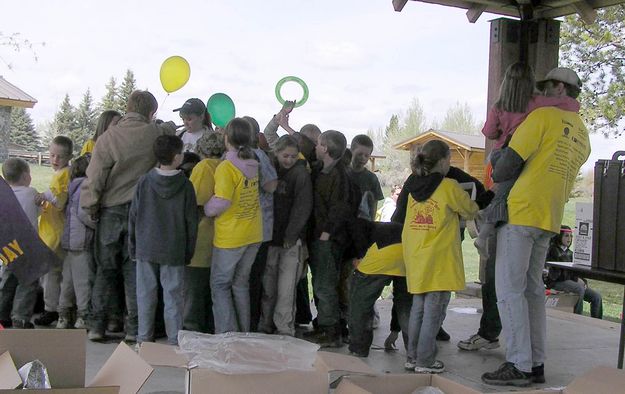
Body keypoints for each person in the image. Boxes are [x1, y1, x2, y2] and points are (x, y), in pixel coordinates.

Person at [481, 67, 590, 387]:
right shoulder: (582, 132)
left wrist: (498, 155)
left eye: (544, 88)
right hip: (549, 218)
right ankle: (535, 362)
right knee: (531, 292)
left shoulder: (540, 119)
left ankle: (518, 363)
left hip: (521, 214)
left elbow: (503, 171)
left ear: (558, 88)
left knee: (508, 291)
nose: (537, 96)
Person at [81, 90, 177, 342]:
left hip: (110, 210)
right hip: (142, 211)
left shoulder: (108, 138)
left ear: (127, 107)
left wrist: (91, 205)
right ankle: (135, 328)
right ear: (150, 112)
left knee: (105, 270)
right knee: (135, 271)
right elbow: (169, 128)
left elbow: (95, 176)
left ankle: (97, 326)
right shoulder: (154, 133)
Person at [474, 62, 581, 259]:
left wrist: (501, 130)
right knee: (503, 194)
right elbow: (564, 104)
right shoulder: (535, 102)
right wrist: (575, 104)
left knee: (500, 193)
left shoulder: (498, 105)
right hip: (516, 154)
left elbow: (488, 131)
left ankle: (484, 216)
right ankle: (484, 231)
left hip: (498, 153)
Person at [401, 140, 478, 374]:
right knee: (434, 311)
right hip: (439, 259)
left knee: (418, 308)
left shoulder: (413, 185)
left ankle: (412, 357)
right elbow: (470, 210)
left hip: (416, 255)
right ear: (444, 161)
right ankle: (425, 360)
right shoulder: (449, 186)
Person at [130, 135, 198, 346]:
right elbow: (191, 223)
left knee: (145, 295)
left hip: (145, 246)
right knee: (173, 297)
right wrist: (189, 251)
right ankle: (174, 339)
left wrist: (133, 245)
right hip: (174, 248)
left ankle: (143, 338)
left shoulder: (144, 181)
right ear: (177, 157)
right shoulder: (186, 186)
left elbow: (133, 216)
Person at [204, 118, 262, 333]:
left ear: (226, 137)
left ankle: (227, 335)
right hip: (253, 233)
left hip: (231, 236)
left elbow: (223, 200)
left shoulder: (226, 167)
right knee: (240, 284)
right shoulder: (253, 163)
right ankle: (243, 332)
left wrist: (206, 208)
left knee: (220, 285)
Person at [258, 135, 312, 336]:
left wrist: (292, 233)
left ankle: (284, 327)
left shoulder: (301, 175)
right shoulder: (271, 171)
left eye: (292, 156)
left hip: (291, 242)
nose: (288, 160)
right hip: (271, 238)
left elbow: (303, 206)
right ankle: (265, 323)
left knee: (286, 289)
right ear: (276, 153)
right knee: (269, 286)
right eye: (284, 155)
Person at [304, 130, 352, 347]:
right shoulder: (322, 170)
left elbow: (339, 208)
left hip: (328, 238)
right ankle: (324, 324)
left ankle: (330, 330)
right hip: (319, 234)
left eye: (319, 144)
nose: (315, 147)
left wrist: (326, 234)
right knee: (320, 282)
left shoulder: (338, 175)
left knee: (325, 284)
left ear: (325, 148)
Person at [347, 219, 411, 358]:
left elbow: (358, 239)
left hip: (381, 253)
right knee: (406, 306)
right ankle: (414, 353)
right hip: (408, 256)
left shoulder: (354, 225)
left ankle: (359, 348)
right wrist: (395, 330)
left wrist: (359, 256)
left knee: (360, 305)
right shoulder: (383, 226)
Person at [184, 132, 226, 333]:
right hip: (220, 234)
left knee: (195, 286)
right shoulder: (226, 166)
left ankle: (192, 328)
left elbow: (196, 201)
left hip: (201, 234)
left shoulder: (204, 167)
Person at [242, 116, 278, 332]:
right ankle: (249, 323)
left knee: (251, 278)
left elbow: (271, 185)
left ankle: (250, 322)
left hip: (254, 228)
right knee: (250, 279)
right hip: (256, 228)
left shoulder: (256, 157)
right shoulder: (259, 157)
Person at [34, 135, 73, 326]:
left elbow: (60, 199)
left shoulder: (65, 174)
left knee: (51, 272)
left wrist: (43, 196)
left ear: (69, 157)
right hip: (51, 229)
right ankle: (55, 306)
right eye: (52, 156)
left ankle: (51, 308)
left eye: (60, 157)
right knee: (53, 272)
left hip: (56, 232)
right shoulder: (60, 174)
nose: (55, 160)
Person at [0, 158, 40, 328]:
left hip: (9, 243)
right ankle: (21, 316)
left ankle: (2, 313)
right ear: (25, 176)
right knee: (28, 282)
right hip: (28, 244)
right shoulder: (31, 193)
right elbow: (39, 210)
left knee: (8, 279)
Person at [57, 155, 96, 329]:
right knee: (83, 281)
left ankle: (63, 316)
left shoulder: (73, 187)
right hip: (81, 241)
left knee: (68, 281)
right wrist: (97, 225)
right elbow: (84, 214)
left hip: (69, 241)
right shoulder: (85, 187)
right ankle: (83, 316)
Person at [545, 225, 602, 319]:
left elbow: (577, 270)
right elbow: (556, 275)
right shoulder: (552, 251)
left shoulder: (571, 253)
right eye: (566, 236)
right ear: (559, 236)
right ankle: (577, 317)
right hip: (557, 282)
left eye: (571, 236)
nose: (569, 238)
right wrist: (576, 279)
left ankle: (597, 321)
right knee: (579, 289)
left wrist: (583, 281)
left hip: (573, 281)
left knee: (596, 297)